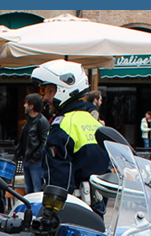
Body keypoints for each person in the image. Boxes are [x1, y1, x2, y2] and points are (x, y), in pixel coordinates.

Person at [31, 59, 109, 216]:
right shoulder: (95, 124)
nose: (45, 97)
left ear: (64, 90)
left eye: (50, 91)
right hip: (97, 208)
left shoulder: (63, 126)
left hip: (72, 209)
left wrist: (50, 213)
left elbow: (59, 180)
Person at [15, 93, 49, 194]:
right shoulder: (31, 121)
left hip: (35, 161)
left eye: (26, 103)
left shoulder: (41, 121)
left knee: (36, 190)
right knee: (30, 189)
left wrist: (35, 156)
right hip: (28, 159)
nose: (24, 105)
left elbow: (45, 141)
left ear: (32, 106)